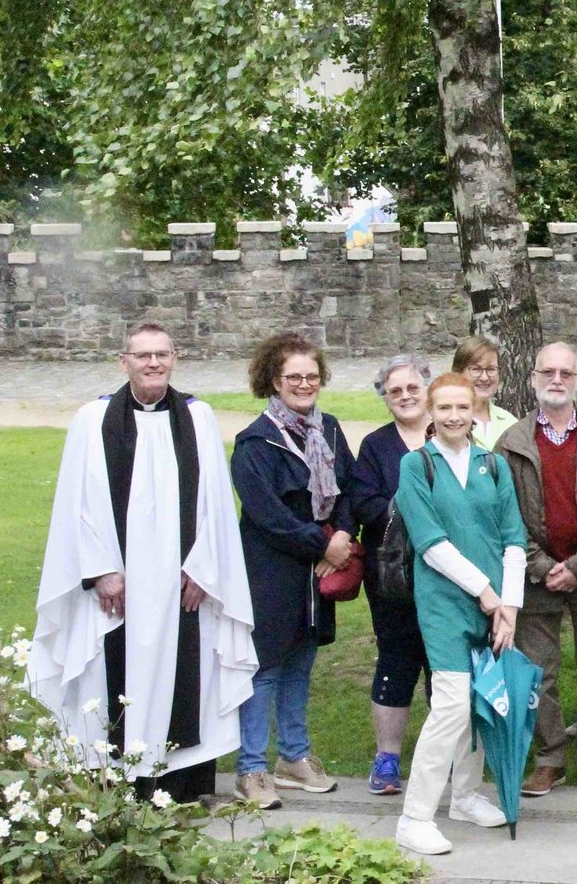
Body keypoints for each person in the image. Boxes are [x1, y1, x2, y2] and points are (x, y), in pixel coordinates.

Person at [29, 322, 256, 806]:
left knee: (186, 673)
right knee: (110, 673)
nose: (153, 363)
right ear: (123, 361)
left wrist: (203, 569)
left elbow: (216, 505)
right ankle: (115, 787)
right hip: (118, 588)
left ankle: (182, 788)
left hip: (182, 585)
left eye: (162, 354)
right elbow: (76, 504)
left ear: (174, 358)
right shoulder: (93, 420)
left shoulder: (197, 417)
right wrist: (100, 570)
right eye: (142, 355)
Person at [391, 372, 528, 856]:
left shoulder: (493, 465)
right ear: (430, 411)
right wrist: (487, 593)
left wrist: (508, 604)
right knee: (450, 705)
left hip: (495, 605)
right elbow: (430, 545)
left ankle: (465, 796)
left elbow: (514, 537)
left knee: (480, 702)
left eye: (461, 408)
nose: (453, 416)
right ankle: (414, 817)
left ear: (475, 411)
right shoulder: (416, 466)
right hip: (446, 602)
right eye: (443, 408)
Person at [230, 332, 356, 808]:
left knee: (302, 661)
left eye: (312, 375)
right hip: (272, 569)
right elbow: (266, 514)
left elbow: (347, 488)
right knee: (265, 666)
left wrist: (342, 536)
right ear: (273, 381)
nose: (305, 384)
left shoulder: (331, 430)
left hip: (321, 567)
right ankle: (252, 767)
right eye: (293, 377)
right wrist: (323, 544)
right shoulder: (254, 444)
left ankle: (294, 756)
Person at [500, 344, 577, 799]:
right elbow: (504, 514)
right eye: (547, 371)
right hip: (535, 573)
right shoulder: (511, 442)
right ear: (532, 379)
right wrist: (545, 566)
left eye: (566, 373)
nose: (557, 379)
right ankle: (549, 758)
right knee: (538, 672)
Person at [351, 353, 434, 796]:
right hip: (393, 576)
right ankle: (386, 759)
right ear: (385, 398)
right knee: (397, 661)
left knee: (446, 666)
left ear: (427, 388)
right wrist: (412, 511)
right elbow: (363, 503)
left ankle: (449, 761)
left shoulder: (450, 433)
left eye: (412, 388)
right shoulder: (375, 446)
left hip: (448, 576)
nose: (404, 396)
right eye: (394, 390)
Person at [453, 336, 519, 449]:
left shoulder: (511, 423)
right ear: (458, 373)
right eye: (476, 369)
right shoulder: (447, 420)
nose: (484, 377)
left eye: (491, 369)